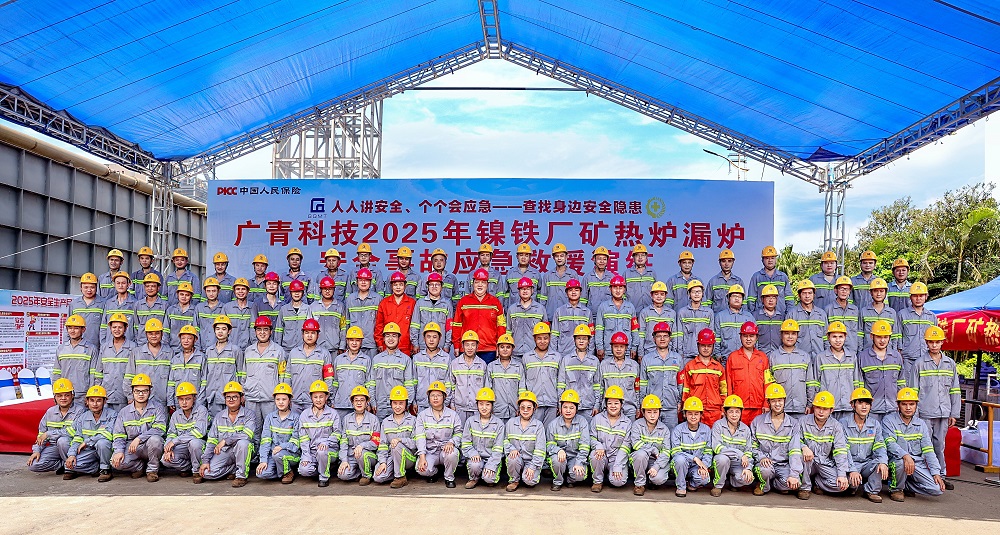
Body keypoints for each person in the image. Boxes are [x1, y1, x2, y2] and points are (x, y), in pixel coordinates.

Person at [909, 326, 960, 490]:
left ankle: (941, 476)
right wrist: (914, 414)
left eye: (937, 342)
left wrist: (954, 413)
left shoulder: (950, 364)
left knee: (939, 446)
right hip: (924, 412)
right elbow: (913, 391)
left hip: (943, 412)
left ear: (942, 342)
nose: (934, 345)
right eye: (931, 342)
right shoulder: (919, 364)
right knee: (923, 446)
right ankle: (921, 476)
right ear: (926, 343)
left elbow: (955, 390)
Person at [883, 387, 945, 500]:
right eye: (904, 404)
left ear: (916, 405)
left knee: (937, 489)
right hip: (897, 461)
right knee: (900, 463)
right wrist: (905, 456)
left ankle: (906, 486)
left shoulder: (921, 424)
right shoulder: (889, 420)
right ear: (898, 405)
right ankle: (896, 489)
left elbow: (928, 450)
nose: (908, 408)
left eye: (911, 404)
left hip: (916, 463)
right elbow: (890, 443)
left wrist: (936, 472)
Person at [242, 316, 290, 455]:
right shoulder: (248, 351)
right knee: (253, 429)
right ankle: (254, 458)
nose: (262, 332)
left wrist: (281, 397)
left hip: (270, 398)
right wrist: (243, 393)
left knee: (270, 430)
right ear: (255, 332)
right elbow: (243, 374)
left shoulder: (278, 351)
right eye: (259, 329)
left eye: (265, 329)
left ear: (271, 331)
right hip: (251, 398)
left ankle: (268, 457)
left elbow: (283, 376)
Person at [748, 384, 803, 497]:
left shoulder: (793, 424)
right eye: (773, 401)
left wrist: (794, 474)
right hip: (765, 464)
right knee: (765, 471)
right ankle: (763, 485)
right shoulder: (758, 421)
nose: (777, 404)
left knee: (793, 484)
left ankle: (775, 484)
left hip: (783, 464)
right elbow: (752, 445)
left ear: (784, 401)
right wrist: (761, 457)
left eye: (780, 400)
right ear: (768, 402)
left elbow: (795, 450)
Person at [110, 374, 167, 482]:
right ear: (132, 391)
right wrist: (119, 451)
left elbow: (160, 429)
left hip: (148, 445)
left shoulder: (158, 408)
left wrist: (139, 438)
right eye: (137, 391)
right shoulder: (124, 412)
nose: (141, 394)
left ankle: (152, 470)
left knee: (156, 440)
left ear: (150, 391)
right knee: (116, 462)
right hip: (132, 447)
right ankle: (139, 467)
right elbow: (119, 435)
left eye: (144, 391)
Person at [198, 381, 255, 487]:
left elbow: (247, 435)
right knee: (206, 473)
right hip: (225, 452)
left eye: (235, 397)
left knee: (243, 443)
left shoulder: (249, 414)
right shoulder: (219, 416)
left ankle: (241, 476)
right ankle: (233, 469)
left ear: (241, 398)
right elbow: (212, 440)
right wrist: (205, 461)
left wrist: (225, 441)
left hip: (242, 451)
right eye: (228, 397)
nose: (231, 399)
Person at [798, 391, 850, 499]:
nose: (821, 411)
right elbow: (793, 440)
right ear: (814, 407)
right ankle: (804, 488)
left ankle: (818, 482)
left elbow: (840, 451)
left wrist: (842, 475)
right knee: (804, 458)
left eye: (825, 409)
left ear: (831, 410)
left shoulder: (836, 426)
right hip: (808, 462)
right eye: (818, 407)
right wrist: (803, 447)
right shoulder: (803, 421)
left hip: (824, 463)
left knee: (841, 485)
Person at [841, 387, 889, 502]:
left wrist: (883, 462)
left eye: (867, 403)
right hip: (850, 464)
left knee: (880, 464)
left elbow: (880, 446)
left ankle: (871, 491)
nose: (864, 407)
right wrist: (852, 470)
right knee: (847, 486)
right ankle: (852, 486)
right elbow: (844, 451)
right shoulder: (843, 424)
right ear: (852, 405)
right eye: (860, 403)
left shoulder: (875, 424)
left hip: (867, 464)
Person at [616, 394, 671, 496]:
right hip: (640, 459)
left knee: (658, 479)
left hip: (656, 460)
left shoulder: (665, 429)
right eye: (649, 412)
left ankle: (651, 480)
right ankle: (639, 484)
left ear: (659, 412)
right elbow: (636, 444)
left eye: (655, 412)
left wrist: (656, 466)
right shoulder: (637, 425)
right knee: (641, 454)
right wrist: (653, 450)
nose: (652, 415)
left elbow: (666, 451)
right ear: (643, 412)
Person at [27, 378, 82, 476]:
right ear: (55, 397)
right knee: (34, 465)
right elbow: (41, 435)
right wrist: (37, 451)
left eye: (67, 395)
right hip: (55, 447)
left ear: (72, 395)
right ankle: (64, 464)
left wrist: (49, 434)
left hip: (73, 446)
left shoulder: (80, 411)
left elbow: (73, 431)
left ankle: (71, 468)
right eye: (59, 395)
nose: (63, 398)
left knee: (62, 441)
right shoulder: (50, 412)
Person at [808, 321, 862, 422]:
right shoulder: (821, 358)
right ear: (828, 337)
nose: (837, 340)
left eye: (841, 337)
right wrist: (814, 403)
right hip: (827, 406)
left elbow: (857, 382)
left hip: (848, 406)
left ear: (845, 337)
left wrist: (856, 403)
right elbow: (815, 383)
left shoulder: (852, 357)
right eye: (834, 337)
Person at [452, 268, 506, 363]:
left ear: (487, 284)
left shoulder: (495, 302)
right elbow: (457, 325)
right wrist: (456, 345)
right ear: (472, 284)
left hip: (489, 350)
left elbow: (501, 326)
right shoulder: (463, 302)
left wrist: (500, 345)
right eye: (477, 282)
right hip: (467, 348)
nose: (480, 285)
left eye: (483, 282)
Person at [415, 381, 462, 488]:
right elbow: (420, 437)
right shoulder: (422, 416)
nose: (435, 398)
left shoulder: (453, 415)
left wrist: (451, 442)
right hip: (430, 451)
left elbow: (459, 433)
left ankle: (449, 477)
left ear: (444, 397)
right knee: (421, 469)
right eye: (432, 395)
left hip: (446, 450)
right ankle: (434, 472)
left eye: (439, 395)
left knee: (453, 453)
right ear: (429, 397)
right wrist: (422, 456)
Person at [64, 385, 116, 481]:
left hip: (106, 450)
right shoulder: (82, 417)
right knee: (70, 465)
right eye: (92, 400)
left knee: (102, 443)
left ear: (104, 402)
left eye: (99, 400)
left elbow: (108, 433)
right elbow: (77, 438)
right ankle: (95, 468)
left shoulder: (112, 415)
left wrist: (87, 442)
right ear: (87, 402)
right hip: (89, 451)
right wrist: (71, 454)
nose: (95, 404)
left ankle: (105, 470)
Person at [297, 380, 342, 487]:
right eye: (315, 397)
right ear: (311, 398)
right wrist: (306, 456)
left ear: (326, 397)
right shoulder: (304, 415)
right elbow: (303, 439)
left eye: (321, 397)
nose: (318, 400)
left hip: (329, 450)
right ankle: (323, 468)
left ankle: (324, 477)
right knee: (303, 470)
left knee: (322, 452)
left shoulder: (333, 414)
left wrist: (326, 442)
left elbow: (337, 434)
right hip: (312, 452)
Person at [725, 321, 771, 425]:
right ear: (740, 337)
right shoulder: (733, 357)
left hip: (759, 407)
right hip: (739, 407)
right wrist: (730, 405)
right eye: (745, 336)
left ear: (756, 337)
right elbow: (728, 383)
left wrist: (766, 403)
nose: (748, 339)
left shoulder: (763, 358)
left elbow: (767, 382)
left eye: (751, 336)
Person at [857, 320, 906, 420]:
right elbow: (859, 386)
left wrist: (901, 403)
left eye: (885, 337)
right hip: (871, 411)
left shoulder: (896, 356)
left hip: (893, 409)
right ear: (872, 336)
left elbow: (901, 383)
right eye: (879, 337)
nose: (882, 340)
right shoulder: (862, 357)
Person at [160, 382, 209, 481]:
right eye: (181, 399)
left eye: (187, 399)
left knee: (194, 443)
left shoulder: (201, 410)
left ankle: (197, 471)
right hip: (183, 447)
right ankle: (188, 467)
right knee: (165, 460)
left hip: (200, 446)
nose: (184, 402)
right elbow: (171, 434)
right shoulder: (176, 415)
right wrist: (168, 449)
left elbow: (199, 432)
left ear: (194, 398)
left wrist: (175, 441)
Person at [679, 329, 727, 428]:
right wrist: (685, 408)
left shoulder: (719, 368)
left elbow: (723, 391)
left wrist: (723, 409)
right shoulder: (690, 366)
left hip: (715, 411)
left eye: (709, 346)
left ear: (713, 346)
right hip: (695, 410)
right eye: (703, 345)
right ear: (698, 346)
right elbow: (685, 390)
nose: (706, 348)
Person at [373, 385, 418, 488]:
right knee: (378, 477)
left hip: (409, 457)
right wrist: (383, 462)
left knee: (396, 445)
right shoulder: (386, 422)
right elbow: (383, 445)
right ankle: (396, 470)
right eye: (395, 403)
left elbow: (416, 443)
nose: (397, 406)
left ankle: (400, 477)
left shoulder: (413, 420)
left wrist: (400, 440)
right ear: (391, 404)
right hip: (391, 456)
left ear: (406, 404)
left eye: (401, 403)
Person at [589, 385, 631, 492]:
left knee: (618, 481)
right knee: (595, 455)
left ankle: (610, 474)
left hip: (616, 457)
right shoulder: (597, 419)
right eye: (610, 403)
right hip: (601, 454)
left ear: (621, 404)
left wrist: (617, 465)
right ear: (605, 404)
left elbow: (625, 447)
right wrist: (598, 445)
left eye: (616, 403)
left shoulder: (627, 423)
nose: (613, 406)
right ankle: (597, 481)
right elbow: (591, 437)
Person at [710, 394, 755, 496]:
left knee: (748, 479)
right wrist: (739, 454)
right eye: (731, 411)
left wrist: (748, 468)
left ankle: (733, 482)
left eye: (737, 411)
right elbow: (717, 448)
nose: (734, 415)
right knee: (722, 459)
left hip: (738, 463)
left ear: (741, 413)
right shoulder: (718, 425)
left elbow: (748, 452)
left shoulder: (745, 429)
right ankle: (718, 485)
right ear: (725, 412)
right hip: (722, 461)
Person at [668, 397, 714, 497]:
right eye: (690, 413)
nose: (693, 417)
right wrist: (694, 458)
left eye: (696, 414)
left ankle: (691, 484)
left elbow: (708, 452)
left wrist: (704, 466)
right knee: (680, 460)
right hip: (681, 465)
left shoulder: (706, 430)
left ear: (701, 415)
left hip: (697, 466)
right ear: (684, 414)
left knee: (704, 479)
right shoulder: (678, 430)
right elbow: (675, 452)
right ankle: (681, 487)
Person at [639, 322, 683, 424]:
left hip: (671, 407)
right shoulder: (647, 359)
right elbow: (643, 384)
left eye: (665, 336)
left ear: (670, 338)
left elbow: (680, 384)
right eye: (659, 336)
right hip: (652, 407)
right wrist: (642, 402)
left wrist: (680, 402)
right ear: (654, 338)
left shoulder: (677, 359)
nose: (662, 339)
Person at [546, 389, 591, 491]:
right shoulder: (553, 424)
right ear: (560, 408)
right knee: (557, 461)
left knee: (579, 475)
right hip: (560, 456)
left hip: (575, 456)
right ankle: (558, 481)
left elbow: (585, 446)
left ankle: (570, 479)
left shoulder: (582, 422)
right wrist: (558, 450)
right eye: (565, 407)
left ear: (576, 409)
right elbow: (549, 445)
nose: (568, 410)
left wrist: (579, 462)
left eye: (571, 408)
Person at [370, 322, 416, 420]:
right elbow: (372, 384)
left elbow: (409, 385)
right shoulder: (376, 359)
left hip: (399, 406)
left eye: (394, 336)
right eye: (387, 336)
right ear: (383, 338)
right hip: (380, 407)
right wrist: (373, 402)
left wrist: (405, 405)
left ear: (399, 338)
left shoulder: (406, 360)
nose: (390, 339)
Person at [255, 383, 300, 484]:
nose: (281, 402)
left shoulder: (296, 418)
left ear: (289, 400)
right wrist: (263, 460)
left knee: (279, 455)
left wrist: (282, 447)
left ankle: (288, 472)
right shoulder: (270, 417)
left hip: (291, 454)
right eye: (278, 399)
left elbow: (296, 441)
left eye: (284, 399)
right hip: (273, 454)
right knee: (261, 473)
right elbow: (265, 440)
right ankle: (281, 471)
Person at [462, 387, 506, 489]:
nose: (484, 407)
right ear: (477, 405)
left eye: (487, 404)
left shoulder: (499, 424)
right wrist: (473, 453)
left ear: (492, 406)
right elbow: (465, 443)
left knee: (489, 479)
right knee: (474, 465)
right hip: (476, 458)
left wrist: (491, 465)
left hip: (491, 458)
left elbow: (498, 449)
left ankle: (487, 474)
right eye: (481, 404)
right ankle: (474, 478)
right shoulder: (470, 421)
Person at [123, 318, 173, 408]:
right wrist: (131, 397)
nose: (154, 336)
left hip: (162, 402)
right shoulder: (136, 353)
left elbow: (172, 380)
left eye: (157, 333)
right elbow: (129, 377)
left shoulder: (169, 353)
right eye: (150, 333)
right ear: (146, 334)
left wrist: (170, 401)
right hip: (141, 401)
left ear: (162, 334)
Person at [767, 319, 811, 419]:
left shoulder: (805, 357)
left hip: (801, 407)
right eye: (787, 333)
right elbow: (769, 383)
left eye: (793, 334)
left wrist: (809, 404)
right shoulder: (773, 357)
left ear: (797, 336)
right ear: (781, 335)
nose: (790, 337)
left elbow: (810, 382)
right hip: (779, 408)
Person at [286, 319, 333, 414]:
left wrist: (326, 398)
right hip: (295, 401)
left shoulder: (324, 354)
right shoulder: (294, 353)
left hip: (314, 402)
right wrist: (287, 396)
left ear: (318, 335)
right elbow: (287, 376)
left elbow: (328, 379)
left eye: (313, 333)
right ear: (302, 334)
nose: (309, 336)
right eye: (307, 332)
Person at [504, 390, 547, 492]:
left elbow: (540, 450)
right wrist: (511, 449)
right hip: (517, 459)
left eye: (529, 407)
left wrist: (532, 467)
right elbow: (505, 441)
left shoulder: (538, 426)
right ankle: (514, 480)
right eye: (522, 407)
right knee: (512, 458)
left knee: (530, 481)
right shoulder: (511, 423)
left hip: (531, 460)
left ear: (534, 408)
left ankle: (526, 474)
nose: (525, 410)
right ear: (519, 408)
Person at [337, 386, 381, 485]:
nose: (359, 403)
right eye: (356, 400)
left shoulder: (373, 419)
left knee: (362, 454)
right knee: (342, 475)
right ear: (352, 402)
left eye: (362, 400)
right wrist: (344, 460)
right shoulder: (346, 419)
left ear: (367, 402)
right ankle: (358, 473)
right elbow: (343, 442)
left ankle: (366, 475)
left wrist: (362, 446)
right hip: (351, 456)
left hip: (368, 455)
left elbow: (376, 442)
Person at [557, 325, 601, 422]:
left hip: (588, 407)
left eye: (584, 339)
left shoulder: (594, 361)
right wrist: (560, 404)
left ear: (589, 341)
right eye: (579, 338)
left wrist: (597, 405)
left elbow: (597, 385)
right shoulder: (566, 360)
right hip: (570, 405)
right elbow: (561, 384)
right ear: (574, 340)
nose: (581, 341)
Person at [202, 315, 244, 416]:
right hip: (212, 396)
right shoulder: (209, 351)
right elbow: (205, 376)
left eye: (224, 329)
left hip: (230, 397)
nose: (220, 331)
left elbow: (241, 375)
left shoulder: (235, 350)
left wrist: (242, 394)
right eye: (217, 329)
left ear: (229, 331)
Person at [521, 323, 562, 425]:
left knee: (550, 431)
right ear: (534, 339)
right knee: (533, 431)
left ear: (550, 338)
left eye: (545, 338)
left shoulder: (557, 357)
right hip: (534, 403)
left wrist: (560, 402)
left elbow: (561, 382)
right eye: (539, 338)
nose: (542, 341)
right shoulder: (526, 358)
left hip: (552, 403)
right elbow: (523, 383)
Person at [329, 326, 374, 421]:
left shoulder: (366, 360)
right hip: (340, 404)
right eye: (351, 340)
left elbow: (369, 384)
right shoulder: (339, 359)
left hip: (359, 405)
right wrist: (332, 400)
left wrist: (369, 403)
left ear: (361, 342)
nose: (354, 343)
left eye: (357, 340)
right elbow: (335, 382)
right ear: (347, 341)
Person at [53, 314, 98, 406]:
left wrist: (90, 395)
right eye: (70, 328)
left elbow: (93, 375)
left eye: (76, 328)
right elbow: (56, 373)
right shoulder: (61, 349)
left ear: (83, 329)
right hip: (64, 394)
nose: (72, 331)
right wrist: (55, 393)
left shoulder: (91, 349)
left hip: (82, 395)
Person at [447, 331, 487, 426]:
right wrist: (452, 404)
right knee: (459, 432)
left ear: (477, 346)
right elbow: (451, 385)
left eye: (473, 345)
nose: (470, 348)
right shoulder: (455, 364)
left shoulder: (482, 364)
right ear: (462, 346)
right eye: (467, 345)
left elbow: (485, 387)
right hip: (459, 408)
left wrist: (483, 406)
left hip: (477, 408)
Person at [594, 275, 638, 360]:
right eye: (615, 287)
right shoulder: (603, 307)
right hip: (608, 351)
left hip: (626, 351)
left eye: (620, 287)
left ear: (624, 289)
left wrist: (634, 347)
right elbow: (599, 329)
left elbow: (634, 330)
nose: (618, 290)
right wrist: (599, 347)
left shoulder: (630, 307)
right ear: (610, 289)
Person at [597, 331, 640, 419]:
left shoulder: (634, 365)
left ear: (626, 348)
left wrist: (638, 407)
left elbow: (637, 390)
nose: (619, 349)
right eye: (616, 346)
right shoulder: (604, 365)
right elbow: (600, 388)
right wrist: (598, 406)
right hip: (609, 409)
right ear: (611, 347)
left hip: (629, 409)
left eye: (621, 347)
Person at [410, 273, 454, 356]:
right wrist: (415, 343)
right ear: (427, 287)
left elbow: (449, 327)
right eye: (431, 284)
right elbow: (415, 325)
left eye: (437, 284)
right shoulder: (420, 303)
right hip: (422, 347)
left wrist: (447, 345)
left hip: (441, 347)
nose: (434, 287)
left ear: (442, 287)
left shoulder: (447, 304)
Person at [485, 333, 524, 424]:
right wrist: (489, 407)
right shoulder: (491, 366)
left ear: (512, 349)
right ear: (497, 348)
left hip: (514, 411)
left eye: (508, 347)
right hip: (497, 410)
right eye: (502, 347)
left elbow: (522, 389)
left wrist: (520, 407)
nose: (505, 350)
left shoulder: (518, 366)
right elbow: (488, 389)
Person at [412, 322, 451, 413]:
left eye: (434, 337)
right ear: (424, 338)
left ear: (440, 338)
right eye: (428, 336)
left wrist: (445, 403)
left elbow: (448, 383)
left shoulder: (446, 358)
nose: (431, 340)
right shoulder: (417, 358)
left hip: (440, 405)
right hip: (421, 404)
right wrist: (414, 402)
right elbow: (413, 381)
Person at [899, 282, 937, 374]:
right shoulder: (902, 315)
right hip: (908, 360)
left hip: (927, 358)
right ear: (910, 297)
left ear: (926, 296)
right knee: (908, 383)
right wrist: (899, 355)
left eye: (921, 296)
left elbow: (936, 339)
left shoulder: (931, 317)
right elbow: (898, 336)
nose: (918, 299)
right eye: (915, 296)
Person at [375, 272, 417, 355]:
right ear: (391, 286)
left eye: (401, 284)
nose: (398, 287)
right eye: (395, 285)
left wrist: (414, 344)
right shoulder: (384, 303)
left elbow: (414, 326)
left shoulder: (412, 303)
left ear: (405, 286)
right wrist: (379, 343)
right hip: (387, 346)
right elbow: (379, 325)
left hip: (406, 347)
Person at [166, 325, 205, 411]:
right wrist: (170, 400)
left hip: (195, 401)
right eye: (183, 338)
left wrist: (200, 402)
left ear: (195, 339)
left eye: (189, 338)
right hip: (179, 402)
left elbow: (204, 382)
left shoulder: (201, 358)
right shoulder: (175, 359)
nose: (186, 341)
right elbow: (171, 382)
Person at [551, 279, 594, 356]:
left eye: (576, 290)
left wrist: (590, 354)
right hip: (563, 354)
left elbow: (591, 335)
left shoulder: (587, 312)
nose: (573, 292)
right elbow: (554, 335)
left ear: (580, 293)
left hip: (582, 354)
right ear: (566, 293)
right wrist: (554, 355)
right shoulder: (559, 311)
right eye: (570, 290)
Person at [786, 279, 828, 357]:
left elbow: (826, 339)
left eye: (810, 293)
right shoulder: (792, 314)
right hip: (799, 358)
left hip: (819, 357)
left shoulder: (821, 314)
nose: (807, 296)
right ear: (799, 295)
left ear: (814, 295)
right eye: (804, 293)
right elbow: (787, 339)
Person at [507, 277, 548, 356]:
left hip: (534, 353)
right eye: (522, 289)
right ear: (518, 291)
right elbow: (508, 331)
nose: (525, 291)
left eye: (528, 289)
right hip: (515, 352)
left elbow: (545, 334)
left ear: (532, 290)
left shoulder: (540, 309)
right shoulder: (512, 309)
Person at [746, 246, 793, 314]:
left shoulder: (783, 277)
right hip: (761, 317)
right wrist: (753, 315)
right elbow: (751, 299)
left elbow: (789, 298)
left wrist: (789, 314)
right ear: (762, 260)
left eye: (772, 258)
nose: (770, 260)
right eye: (767, 258)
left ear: (776, 260)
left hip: (781, 316)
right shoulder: (756, 277)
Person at [713, 285, 754, 360]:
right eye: (734, 296)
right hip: (726, 358)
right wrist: (718, 354)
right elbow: (717, 338)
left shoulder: (749, 317)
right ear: (728, 298)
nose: (737, 299)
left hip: (746, 359)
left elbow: (755, 338)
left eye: (739, 297)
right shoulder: (720, 316)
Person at [636, 281, 677, 356]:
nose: (659, 296)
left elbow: (674, 335)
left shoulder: (672, 313)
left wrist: (674, 352)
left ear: (666, 295)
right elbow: (641, 334)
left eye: (662, 294)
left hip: (668, 352)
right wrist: (640, 353)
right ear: (651, 295)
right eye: (656, 294)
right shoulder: (644, 312)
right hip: (649, 351)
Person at [860, 278, 901, 352]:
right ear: (871, 293)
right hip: (868, 352)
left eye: (881, 291)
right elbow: (860, 334)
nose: (878, 294)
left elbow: (895, 335)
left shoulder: (892, 313)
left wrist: (894, 352)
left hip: (888, 353)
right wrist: (860, 351)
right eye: (875, 291)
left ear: (886, 292)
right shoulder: (863, 311)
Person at [309, 276, 347, 355]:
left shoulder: (340, 306)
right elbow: (309, 329)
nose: (327, 291)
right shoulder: (313, 307)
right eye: (324, 289)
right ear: (320, 290)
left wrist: (342, 346)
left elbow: (343, 328)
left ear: (334, 290)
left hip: (335, 349)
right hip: (317, 349)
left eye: (330, 289)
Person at [677, 280, 714, 360]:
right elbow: (679, 334)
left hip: (704, 355)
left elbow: (712, 334)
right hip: (686, 355)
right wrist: (680, 353)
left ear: (702, 294)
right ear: (689, 294)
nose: (696, 294)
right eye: (693, 292)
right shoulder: (682, 312)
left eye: (699, 292)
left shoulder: (709, 312)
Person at [825, 276, 861, 356]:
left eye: (847, 289)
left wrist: (859, 349)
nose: (844, 291)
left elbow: (858, 331)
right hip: (833, 352)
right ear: (836, 290)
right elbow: (825, 332)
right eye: (841, 288)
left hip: (852, 350)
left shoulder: (855, 310)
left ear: (850, 291)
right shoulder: (828, 309)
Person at [99, 271, 136, 348]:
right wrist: (103, 343)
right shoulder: (109, 303)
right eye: (118, 283)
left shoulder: (135, 303)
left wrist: (135, 345)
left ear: (129, 284)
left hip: (129, 347)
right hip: (110, 346)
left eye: (123, 283)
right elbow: (103, 326)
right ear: (114, 284)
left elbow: (137, 327)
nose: (120, 285)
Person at [500, 244, 542, 308]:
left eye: (526, 255)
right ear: (517, 256)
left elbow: (540, 294)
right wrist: (506, 309)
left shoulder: (536, 274)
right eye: (521, 255)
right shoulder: (510, 273)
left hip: (532, 311)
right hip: (514, 311)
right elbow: (505, 294)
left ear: (530, 257)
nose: (523, 258)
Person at [132, 273, 168, 346]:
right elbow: (136, 326)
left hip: (159, 345)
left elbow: (166, 328)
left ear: (158, 288)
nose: (150, 289)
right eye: (147, 286)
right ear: (144, 287)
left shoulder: (165, 305)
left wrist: (163, 344)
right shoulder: (138, 305)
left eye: (153, 286)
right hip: (141, 344)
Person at [71, 273, 105, 349]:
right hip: (77, 346)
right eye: (86, 287)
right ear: (81, 288)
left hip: (97, 347)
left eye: (92, 287)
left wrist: (104, 346)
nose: (89, 290)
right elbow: (67, 326)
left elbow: (105, 328)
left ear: (96, 287)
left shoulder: (104, 303)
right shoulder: (74, 304)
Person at [540, 243, 574, 317]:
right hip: (550, 315)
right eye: (557, 256)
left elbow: (576, 297)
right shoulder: (547, 276)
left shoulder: (572, 275)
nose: (559, 258)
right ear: (553, 257)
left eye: (562, 256)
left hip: (568, 316)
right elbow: (543, 298)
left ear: (566, 256)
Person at [164, 281, 198, 352]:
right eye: (182, 294)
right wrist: (166, 348)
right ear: (177, 294)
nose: (184, 297)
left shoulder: (195, 311)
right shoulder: (171, 310)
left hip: (189, 350)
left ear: (191, 296)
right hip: (172, 349)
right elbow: (166, 331)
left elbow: (196, 332)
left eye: (187, 295)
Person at [706, 249, 743, 314]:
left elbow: (743, 304)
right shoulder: (713, 281)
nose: (726, 264)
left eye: (729, 261)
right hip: (717, 317)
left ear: (733, 262)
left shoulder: (738, 282)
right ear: (719, 262)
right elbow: (708, 303)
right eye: (723, 261)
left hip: (735, 318)